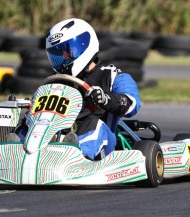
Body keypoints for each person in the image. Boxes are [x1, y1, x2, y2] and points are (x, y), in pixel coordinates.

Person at [44, 18, 141, 160]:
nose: (64, 57)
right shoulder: (55, 80)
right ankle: (18, 148)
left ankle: (77, 155)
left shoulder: (111, 75)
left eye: (69, 51)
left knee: (93, 123)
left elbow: (132, 103)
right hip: (57, 133)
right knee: (29, 123)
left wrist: (105, 99)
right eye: (59, 53)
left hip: (100, 138)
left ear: (85, 45)